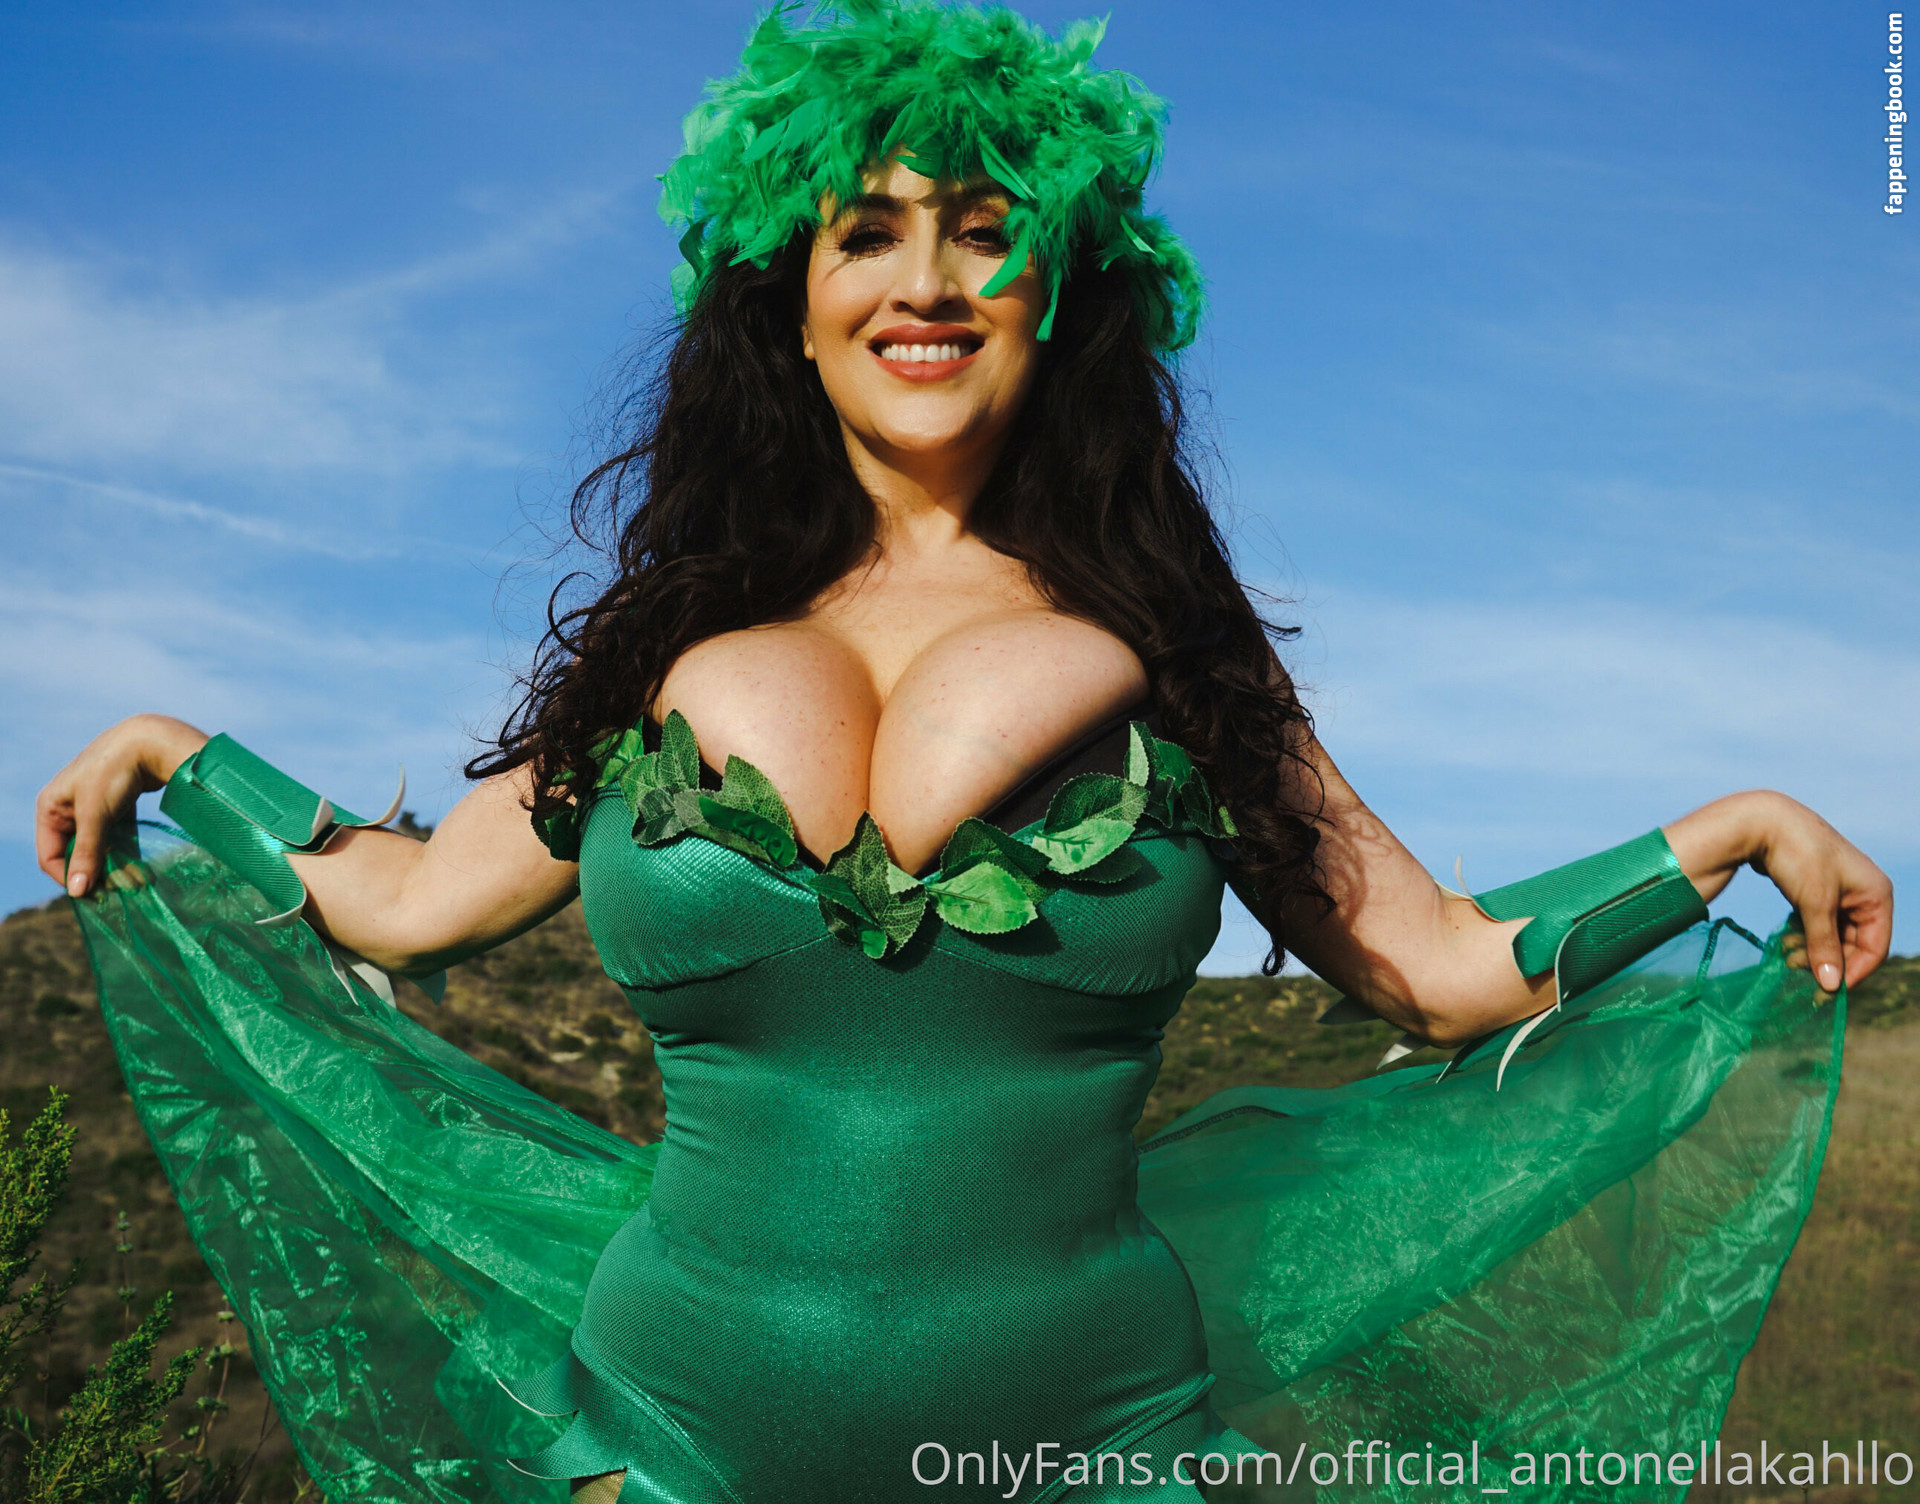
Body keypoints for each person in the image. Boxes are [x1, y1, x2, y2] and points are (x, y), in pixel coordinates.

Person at [34, 3, 1893, 1502]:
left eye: (986, 233)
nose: (925, 281)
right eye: (867, 233)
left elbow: (1440, 971)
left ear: (1060, 295)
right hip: (664, 1448)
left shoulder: (1184, 656)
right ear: (788, 301)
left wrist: (1721, 837)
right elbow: (415, 904)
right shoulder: (663, 651)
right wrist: (189, 758)